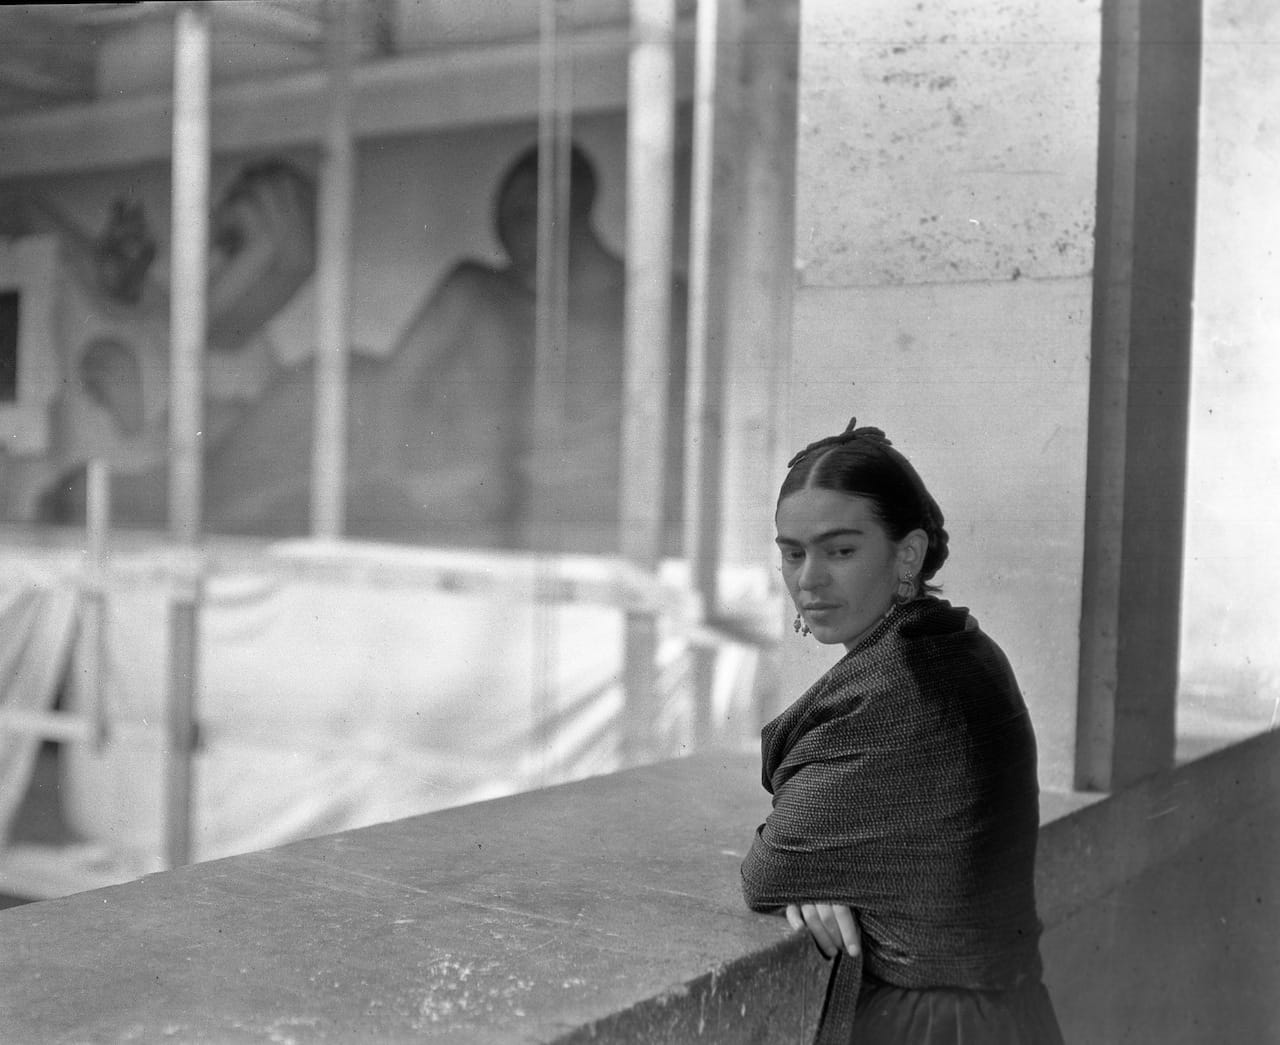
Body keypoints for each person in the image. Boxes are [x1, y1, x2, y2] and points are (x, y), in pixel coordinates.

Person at [739, 419, 1064, 1044]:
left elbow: (769, 869)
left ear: (907, 554)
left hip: (936, 1026)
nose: (808, 581)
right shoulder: (957, 646)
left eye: (840, 551)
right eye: (791, 551)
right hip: (1005, 1011)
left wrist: (816, 867)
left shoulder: (904, 686)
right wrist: (825, 863)